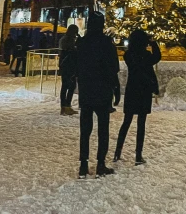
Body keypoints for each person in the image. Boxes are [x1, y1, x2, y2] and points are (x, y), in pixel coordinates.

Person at [77, 11, 120, 178]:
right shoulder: (106, 43)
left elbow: (77, 66)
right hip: (102, 91)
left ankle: (83, 165)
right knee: (103, 129)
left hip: (87, 90)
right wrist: (115, 89)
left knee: (85, 130)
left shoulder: (82, 43)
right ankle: (100, 164)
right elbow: (113, 68)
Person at [113, 29, 161, 165]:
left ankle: (118, 152)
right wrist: (153, 43)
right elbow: (157, 57)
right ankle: (138, 155)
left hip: (132, 89)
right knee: (141, 124)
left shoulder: (129, 55)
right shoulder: (146, 56)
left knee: (126, 122)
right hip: (144, 90)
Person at [59, 24, 79, 115]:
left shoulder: (63, 39)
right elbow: (72, 52)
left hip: (64, 66)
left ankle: (64, 106)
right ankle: (66, 106)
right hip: (70, 66)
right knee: (70, 86)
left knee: (65, 86)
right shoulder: (70, 41)